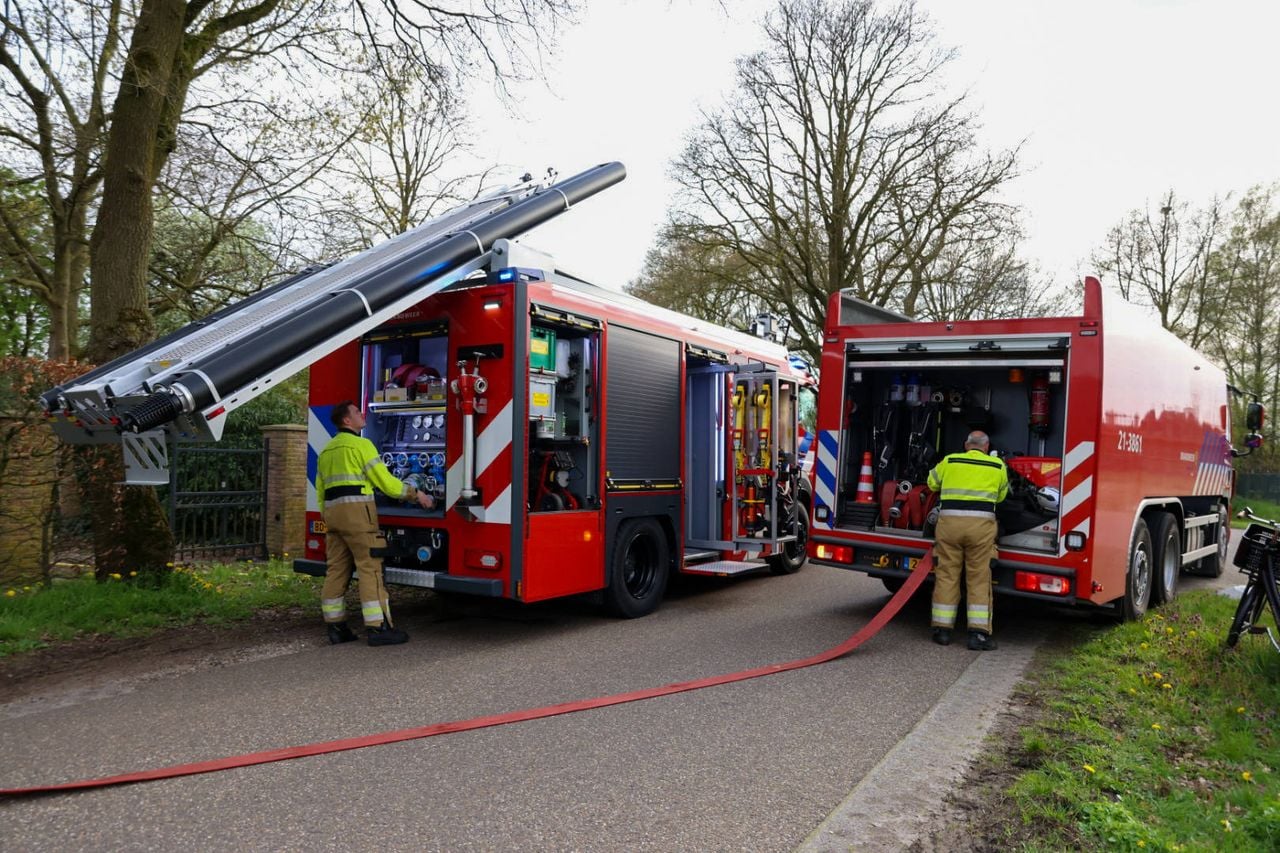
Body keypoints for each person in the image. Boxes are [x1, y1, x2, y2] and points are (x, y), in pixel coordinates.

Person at [317, 401, 434, 646]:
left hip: (332, 516)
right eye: (357, 412)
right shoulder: (362, 445)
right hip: (358, 516)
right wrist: (416, 494)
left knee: (336, 570)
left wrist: (326, 517)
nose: (363, 415)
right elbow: (386, 483)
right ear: (347, 421)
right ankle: (378, 628)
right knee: (370, 569)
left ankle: (336, 628)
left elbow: (320, 490)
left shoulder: (327, 450)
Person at [926, 430, 1009, 651]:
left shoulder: (950, 460)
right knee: (979, 578)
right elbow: (1001, 497)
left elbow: (931, 483)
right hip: (980, 530)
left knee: (946, 575)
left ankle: (942, 631)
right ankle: (978, 636)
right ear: (986, 445)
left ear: (966, 445)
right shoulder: (997, 466)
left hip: (949, 528)